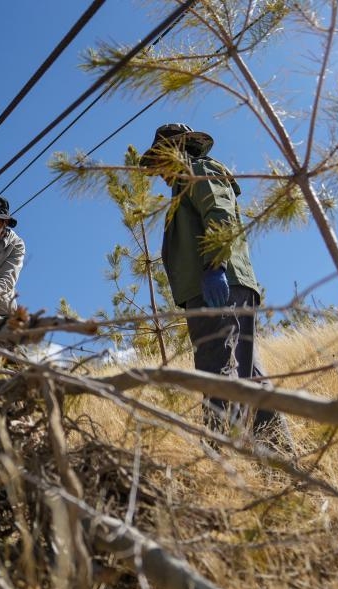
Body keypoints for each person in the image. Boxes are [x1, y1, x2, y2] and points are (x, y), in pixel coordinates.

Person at [139, 123, 292, 450]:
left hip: (218, 286)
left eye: (160, 161)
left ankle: (220, 459)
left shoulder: (198, 171)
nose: (159, 173)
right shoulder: (185, 183)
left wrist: (215, 266)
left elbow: (219, 214)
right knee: (249, 374)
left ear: (175, 152)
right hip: (226, 285)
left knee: (217, 369)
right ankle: (279, 457)